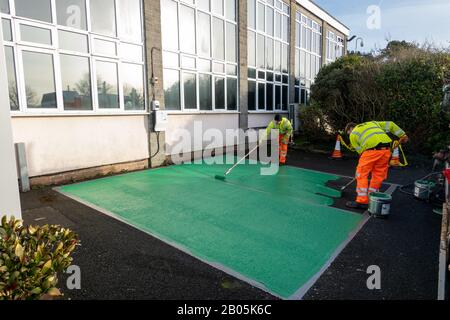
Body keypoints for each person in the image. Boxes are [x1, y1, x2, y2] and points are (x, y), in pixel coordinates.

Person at [345, 121, 409, 209]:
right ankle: (372, 198)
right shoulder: (373, 123)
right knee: (378, 175)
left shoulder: (353, 134)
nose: (349, 134)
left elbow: (360, 151)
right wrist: (402, 135)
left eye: (348, 133)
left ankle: (362, 201)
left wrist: (368, 162)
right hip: (386, 150)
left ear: (350, 129)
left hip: (370, 152)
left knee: (361, 174)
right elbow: (390, 124)